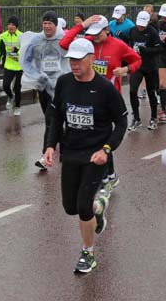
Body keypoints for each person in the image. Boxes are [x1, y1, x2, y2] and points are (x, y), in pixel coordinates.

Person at [43, 38, 128, 273]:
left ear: (91, 59)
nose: (74, 64)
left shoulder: (105, 88)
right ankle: (97, 212)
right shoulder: (64, 83)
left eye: (79, 60)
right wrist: (50, 146)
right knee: (70, 207)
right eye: (71, 59)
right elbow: (57, 116)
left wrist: (106, 150)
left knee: (82, 207)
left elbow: (121, 122)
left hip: (95, 155)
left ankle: (88, 254)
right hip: (71, 151)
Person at [59, 14, 141, 192]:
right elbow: (64, 44)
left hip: (108, 96)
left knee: (104, 135)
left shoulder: (118, 45)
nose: (94, 37)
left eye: (98, 33)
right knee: (94, 135)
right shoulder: (86, 44)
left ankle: (108, 174)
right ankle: (109, 174)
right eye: (92, 33)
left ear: (107, 30)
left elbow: (137, 60)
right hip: (87, 94)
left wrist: (126, 69)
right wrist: (82, 26)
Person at [21, 10, 70, 172]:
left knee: (51, 120)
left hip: (60, 88)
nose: (47, 26)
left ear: (56, 25)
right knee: (53, 120)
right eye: (45, 23)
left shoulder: (64, 41)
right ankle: (64, 148)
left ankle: (44, 156)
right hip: (43, 87)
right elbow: (26, 61)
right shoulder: (36, 41)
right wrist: (36, 75)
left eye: (50, 23)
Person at [122, 11, 162, 131]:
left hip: (150, 66)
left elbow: (159, 48)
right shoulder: (133, 31)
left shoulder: (152, 32)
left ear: (148, 22)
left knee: (151, 93)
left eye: (143, 25)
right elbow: (129, 43)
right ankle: (137, 119)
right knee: (133, 91)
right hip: (137, 65)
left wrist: (146, 50)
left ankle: (154, 117)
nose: (141, 27)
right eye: (139, 24)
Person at [0, 16, 24, 115]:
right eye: (9, 24)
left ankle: (17, 107)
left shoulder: (21, 36)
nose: (10, 26)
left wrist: (17, 50)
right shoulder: (3, 36)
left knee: (17, 88)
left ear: (16, 26)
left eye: (13, 25)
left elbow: (26, 49)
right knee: (5, 86)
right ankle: (11, 97)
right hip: (8, 65)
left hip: (19, 66)